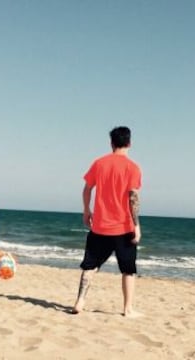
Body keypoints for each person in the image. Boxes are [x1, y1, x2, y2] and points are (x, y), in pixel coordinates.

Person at [72, 126, 142, 317]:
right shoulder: (133, 168)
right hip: (124, 226)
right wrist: (136, 226)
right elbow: (133, 198)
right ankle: (127, 309)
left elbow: (87, 189)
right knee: (128, 270)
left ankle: (80, 301)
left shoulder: (99, 163)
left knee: (90, 266)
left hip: (100, 226)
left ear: (111, 143)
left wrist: (86, 210)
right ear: (129, 143)